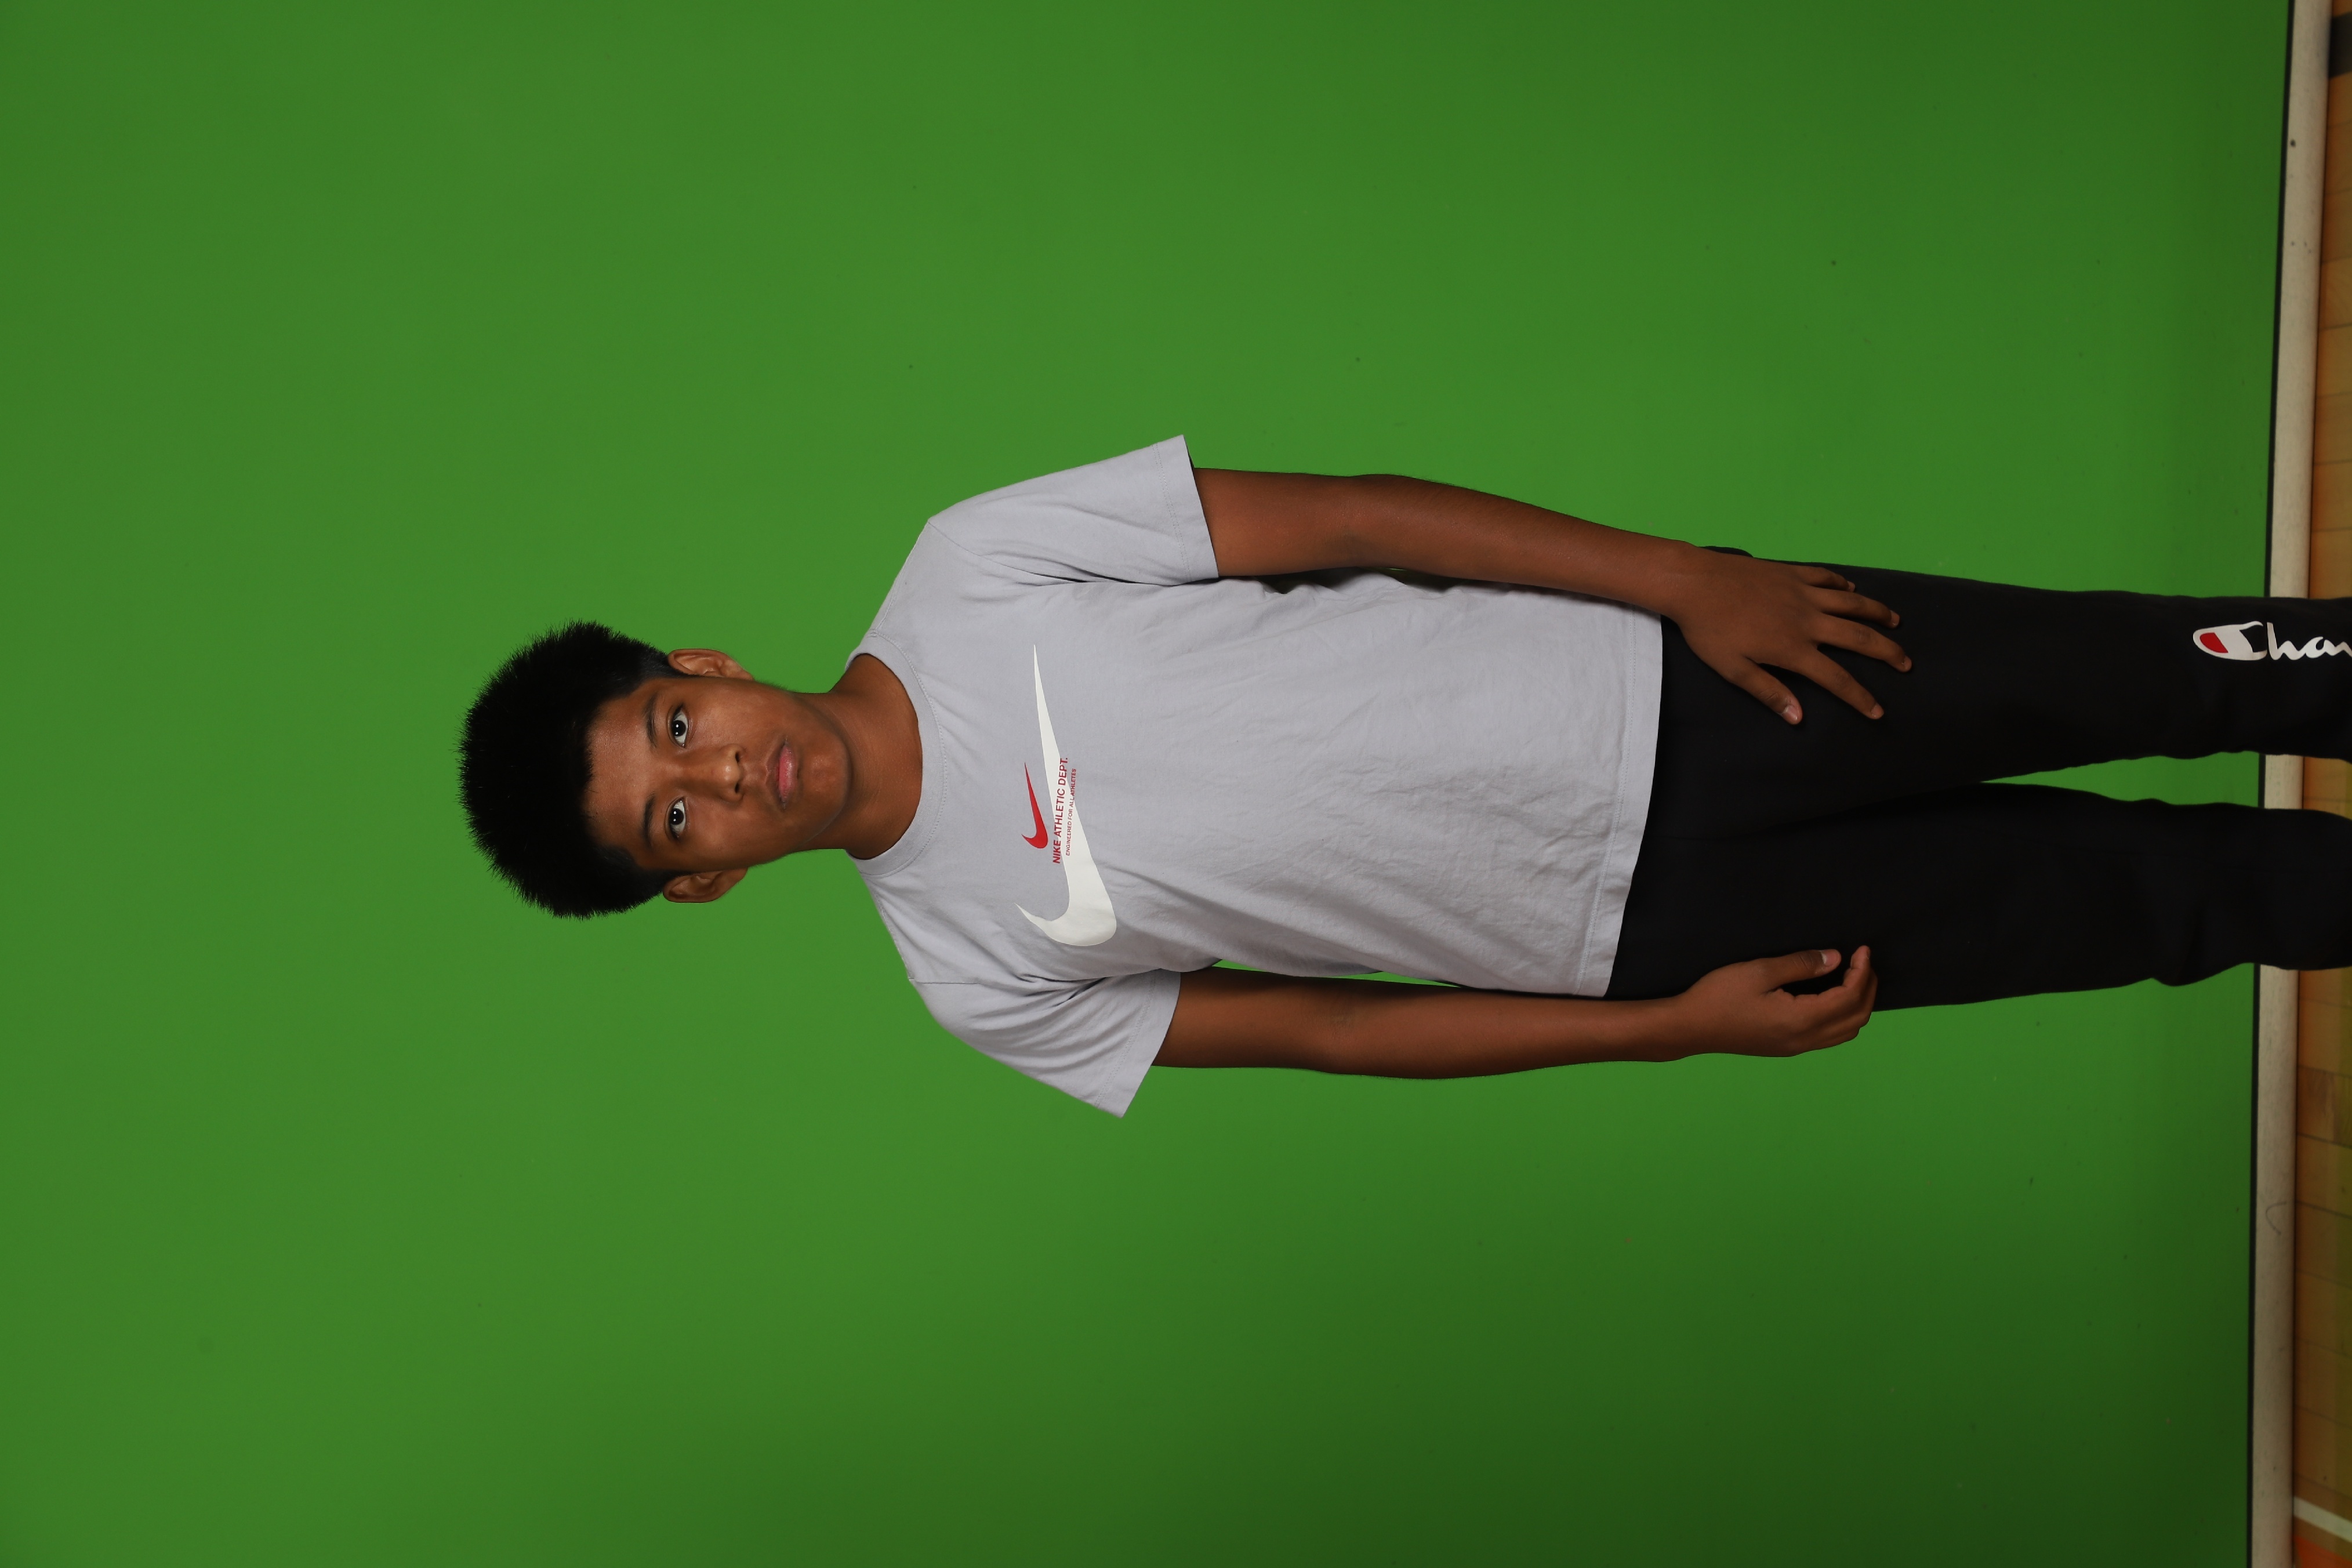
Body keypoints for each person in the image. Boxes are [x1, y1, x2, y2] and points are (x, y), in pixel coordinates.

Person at [458, 438, 2352, 1114]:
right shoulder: (974, 975)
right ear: (702, 880)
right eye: (677, 818)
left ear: (705, 667)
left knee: (2152, 668)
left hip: (1681, 678)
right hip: (1652, 927)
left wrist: (1685, 580)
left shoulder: (974, 566)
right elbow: (1337, 1032)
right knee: (2172, 905)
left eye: (678, 729)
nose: (726, 775)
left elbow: (1354, 515)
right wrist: (1666, 1032)